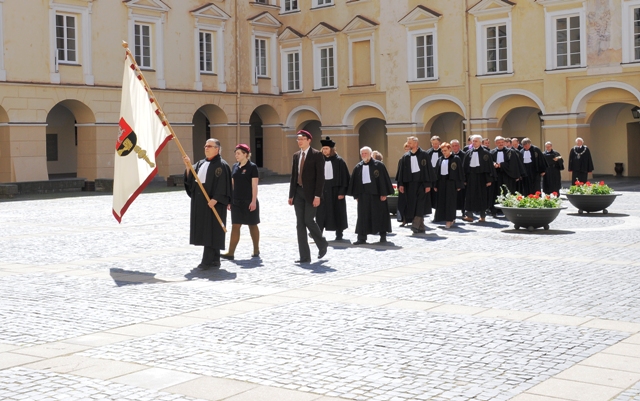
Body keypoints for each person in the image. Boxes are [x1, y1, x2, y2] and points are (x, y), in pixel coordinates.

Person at [183, 138, 232, 270]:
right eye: (205, 146)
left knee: (212, 231)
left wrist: (216, 199)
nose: (206, 148)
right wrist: (188, 167)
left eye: (209, 146)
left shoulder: (222, 165)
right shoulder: (199, 164)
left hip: (214, 204)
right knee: (207, 230)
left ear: (217, 149)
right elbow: (191, 180)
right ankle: (215, 260)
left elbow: (224, 185)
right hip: (201, 204)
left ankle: (206, 261)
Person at [288, 130, 328, 264]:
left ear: (309, 140)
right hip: (298, 193)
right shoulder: (296, 156)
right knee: (300, 224)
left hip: (311, 194)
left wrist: (318, 196)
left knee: (308, 220)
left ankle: (322, 243)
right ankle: (304, 257)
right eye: (298, 139)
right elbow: (294, 176)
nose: (299, 141)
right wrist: (291, 194)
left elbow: (320, 178)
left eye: (302, 139)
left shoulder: (317, 155)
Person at [221, 144, 260, 261]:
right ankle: (231, 252)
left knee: (252, 225)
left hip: (249, 201)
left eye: (238, 153)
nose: (236, 155)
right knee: (235, 226)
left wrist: (253, 201)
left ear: (245, 154)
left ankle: (256, 249)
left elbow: (254, 186)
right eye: (235, 153)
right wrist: (230, 200)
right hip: (236, 202)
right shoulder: (234, 167)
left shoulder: (252, 167)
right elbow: (232, 185)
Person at [347, 146, 394, 244]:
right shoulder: (358, 167)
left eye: (366, 153)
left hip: (377, 195)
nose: (364, 155)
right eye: (362, 154)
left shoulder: (379, 165)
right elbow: (355, 183)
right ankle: (361, 238)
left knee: (380, 215)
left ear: (370, 154)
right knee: (363, 216)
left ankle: (383, 236)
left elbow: (383, 180)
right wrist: (356, 196)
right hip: (363, 196)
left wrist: (384, 194)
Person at [396, 136, 434, 233]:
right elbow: (401, 172)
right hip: (409, 185)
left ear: (416, 144)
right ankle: (421, 227)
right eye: (408, 143)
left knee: (420, 204)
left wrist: (428, 184)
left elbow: (428, 170)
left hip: (421, 183)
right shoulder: (405, 157)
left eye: (410, 143)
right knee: (413, 204)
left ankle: (415, 225)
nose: (408, 145)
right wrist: (401, 184)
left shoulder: (424, 155)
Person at [316, 137, 350, 241]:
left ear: (332, 149)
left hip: (336, 192)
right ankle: (318, 233)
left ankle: (339, 234)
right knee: (321, 213)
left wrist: (342, 192)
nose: (325, 150)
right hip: (322, 191)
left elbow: (345, 178)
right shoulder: (319, 161)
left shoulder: (339, 161)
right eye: (324, 148)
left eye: (327, 148)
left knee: (337, 212)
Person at [462, 135, 496, 222]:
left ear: (480, 142)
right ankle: (469, 215)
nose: (474, 143)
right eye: (473, 141)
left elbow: (489, 168)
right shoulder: (468, 153)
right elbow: (465, 167)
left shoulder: (486, 153)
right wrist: (464, 179)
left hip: (481, 178)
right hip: (471, 177)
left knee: (482, 196)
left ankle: (482, 216)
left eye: (476, 141)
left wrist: (489, 179)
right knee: (469, 196)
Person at [434, 142, 464, 228]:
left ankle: (449, 220)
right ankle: (444, 218)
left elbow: (460, 172)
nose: (444, 152)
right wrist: (435, 185)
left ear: (450, 150)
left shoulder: (456, 159)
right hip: (441, 183)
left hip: (451, 183)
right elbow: (436, 173)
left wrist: (459, 185)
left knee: (450, 202)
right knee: (442, 201)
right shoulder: (440, 159)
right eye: (442, 151)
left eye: (445, 150)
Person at [490, 136, 521, 213]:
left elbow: (513, 164)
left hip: (508, 176)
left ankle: (507, 208)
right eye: (498, 143)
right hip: (496, 176)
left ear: (504, 143)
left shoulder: (510, 152)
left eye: (502, 142)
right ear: (495, 143)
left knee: (507, 191)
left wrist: (501, 165)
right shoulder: (492, 152)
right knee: (496, 192)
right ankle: (496, 209)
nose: (500, 144)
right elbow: (490, 162)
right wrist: (493, 164)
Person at [395, 142, 411, 226]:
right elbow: (399, 173)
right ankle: (404, 220)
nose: (407, 151)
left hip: (412, 184)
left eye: (408, 149)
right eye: (406, 149)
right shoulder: (402, 160)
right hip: (403, 183)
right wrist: (400, 184)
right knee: (403, 202)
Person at [451, 139, 467, 217]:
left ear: (459, 146)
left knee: (462, 196)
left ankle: (464, 211)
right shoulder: (449, 155)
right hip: (452, 180)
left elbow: (466, 168)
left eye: (456, 145)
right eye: (453, 146)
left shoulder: (464, 155)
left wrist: (464, 179)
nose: (454, 147)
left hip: (461, 179)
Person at [426, 136, 442, 213]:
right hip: (430, 175)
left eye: (436, 143)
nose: (434, 145)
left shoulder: (442, 152)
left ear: (439, 143)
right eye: (433, 144)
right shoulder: (428, 152)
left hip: (440, 175)